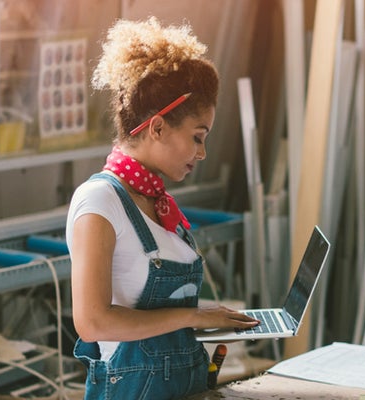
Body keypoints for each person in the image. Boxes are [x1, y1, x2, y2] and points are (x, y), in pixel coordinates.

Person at [67, 17, 258, 399]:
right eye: (197, 138)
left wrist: (213, 321)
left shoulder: (157, 201)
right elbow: (92, 322)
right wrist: (194, 316)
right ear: (156, 128)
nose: (202, 153)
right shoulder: (100, 202)